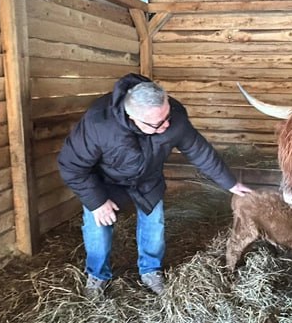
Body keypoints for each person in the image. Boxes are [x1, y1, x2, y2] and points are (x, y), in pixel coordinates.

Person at [57, 73, 252, 298]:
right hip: (104, 183)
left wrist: (230, 183)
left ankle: (150, 270)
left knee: (154, 224)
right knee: (97, 229)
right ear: (132, 117)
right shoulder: (98, 123)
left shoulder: (172, 116)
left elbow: (199, 151)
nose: (167, 124)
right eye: (159, 123)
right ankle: (97, 274)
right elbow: (71, 166)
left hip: (148, 179)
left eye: (167, 115)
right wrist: (97, 201)